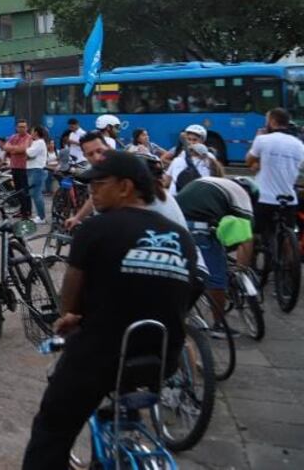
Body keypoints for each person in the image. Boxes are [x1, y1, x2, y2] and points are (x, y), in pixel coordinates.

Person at [22, 150, 200, 469]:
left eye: (99, 184)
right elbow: (181, 296)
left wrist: (71, 317)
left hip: (100, 357)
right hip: (160, 359)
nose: (92, 191)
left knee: (52, 429)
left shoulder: (96, 229)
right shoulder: (182, 238)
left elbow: (69, 302)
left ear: (125, 187)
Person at [176, 176, 255, 325]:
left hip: (177, 220)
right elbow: (246, 239)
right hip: (200, 227)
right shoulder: (243, 197)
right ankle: (219, 325)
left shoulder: (217, 184)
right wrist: (241, 268)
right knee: (217, 279)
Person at [247, 107, 304, 239]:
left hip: (264, 198)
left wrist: (257, 140)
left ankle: (246, 260)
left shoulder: (263, 139)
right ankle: (291, 257)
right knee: (288, 237)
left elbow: (249, 160)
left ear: (272, 121)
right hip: (289, 199)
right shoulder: (299, 145)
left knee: (253, 234)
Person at [26, 126, 51, 224]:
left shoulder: (40, 142)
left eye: (32, 131)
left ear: (36, 132)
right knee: (34, 193)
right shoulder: (35, 142)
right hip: (32, 169)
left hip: (37, 169)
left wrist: (26, 148)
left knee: (36, 193)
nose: (30, 133)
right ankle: (39, 216)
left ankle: (41, 217)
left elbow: (29, 154)